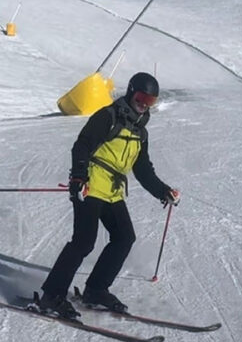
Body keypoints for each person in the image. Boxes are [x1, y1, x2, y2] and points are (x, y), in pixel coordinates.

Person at [35, 72, 179, 319]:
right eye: (142, 97)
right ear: (131, 92)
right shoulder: (108, 116)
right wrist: (79, 178)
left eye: (151, 101)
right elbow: (82, 145)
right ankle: (52, 295)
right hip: (90, 186)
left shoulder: (140, 132)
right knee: (84, 242)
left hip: (112, 192)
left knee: (124, 238)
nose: (144, 104)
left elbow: (142, 169)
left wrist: (162, 191)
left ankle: (96, 290)